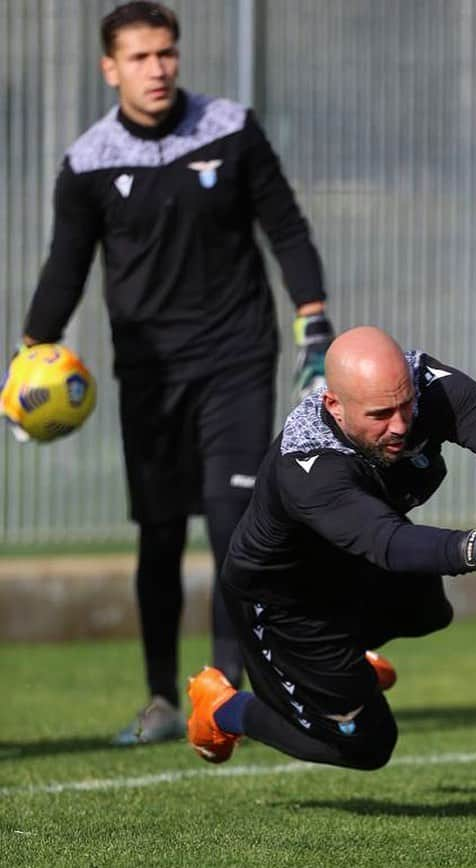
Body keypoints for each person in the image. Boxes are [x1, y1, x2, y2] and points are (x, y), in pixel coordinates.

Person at [15, 1, 334, 745]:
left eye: (166, 53)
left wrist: (312, 318)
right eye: (139, 57)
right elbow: (66, 269)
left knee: (233, 525)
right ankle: (161, 698)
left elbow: (285, 226)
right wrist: (30, 355)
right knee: (159, 536)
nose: (156, 69)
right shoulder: (89, 162)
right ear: (110, 68)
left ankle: (225, 691)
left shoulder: (229, 128)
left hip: (237, 358)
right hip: (151, 376)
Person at [186, 326, 476, 770]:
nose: (400, 424)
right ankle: (223, 709)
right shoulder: (307, 467)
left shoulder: (426, 385)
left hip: (348, 566)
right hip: (284, 606)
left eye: (405, 405)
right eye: (381, 414)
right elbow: (388, 541)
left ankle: (348, 659)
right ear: (334, 406)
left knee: (427, 610)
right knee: (366, 747)